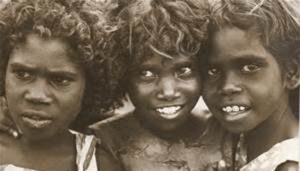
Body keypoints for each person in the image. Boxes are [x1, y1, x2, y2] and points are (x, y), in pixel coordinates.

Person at [88, 0, 234, 170]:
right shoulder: (106, 140)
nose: (168, 92)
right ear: (122, 76)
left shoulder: (222, 129)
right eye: (147, 74)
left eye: (184, 70)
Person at [0, 0, 123, 170]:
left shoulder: (98, 163)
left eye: (60, 80)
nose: (37, 95)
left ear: (89, 86)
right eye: (23, 74)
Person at [201, 0, 300, 170]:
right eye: (213, 71)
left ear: (292, 73)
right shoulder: (225, 138)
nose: (227, 86)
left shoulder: (289, 165)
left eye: (249, 68)